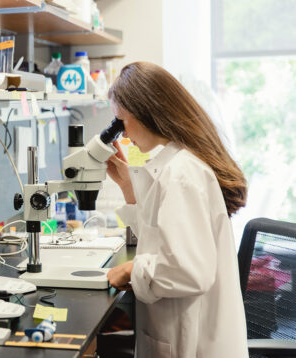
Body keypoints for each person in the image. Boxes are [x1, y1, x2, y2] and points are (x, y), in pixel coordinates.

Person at [104, 62, 248, 357]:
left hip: (193, 343)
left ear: (145, 113)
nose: (122, 135)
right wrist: (129, 190)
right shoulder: (176, 163)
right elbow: (167, 241)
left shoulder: (182, 173)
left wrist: (133, 269)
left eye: (122, 121)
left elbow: (188, 271)